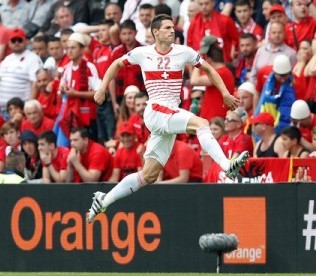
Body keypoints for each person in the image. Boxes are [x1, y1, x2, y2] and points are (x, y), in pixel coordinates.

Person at [87, 14, 250, 223]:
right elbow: (116, 64)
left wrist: (226, 93)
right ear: (155, 32)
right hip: (156, 110)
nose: (172, 31)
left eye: (173, 27)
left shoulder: (184, 52)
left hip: (168, 116)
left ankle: (104, 200)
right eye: (166, 28)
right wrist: (101, 88)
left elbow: (209, 69)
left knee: (148, 176)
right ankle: (227, 166)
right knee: (202, 124)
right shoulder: (142, 53)